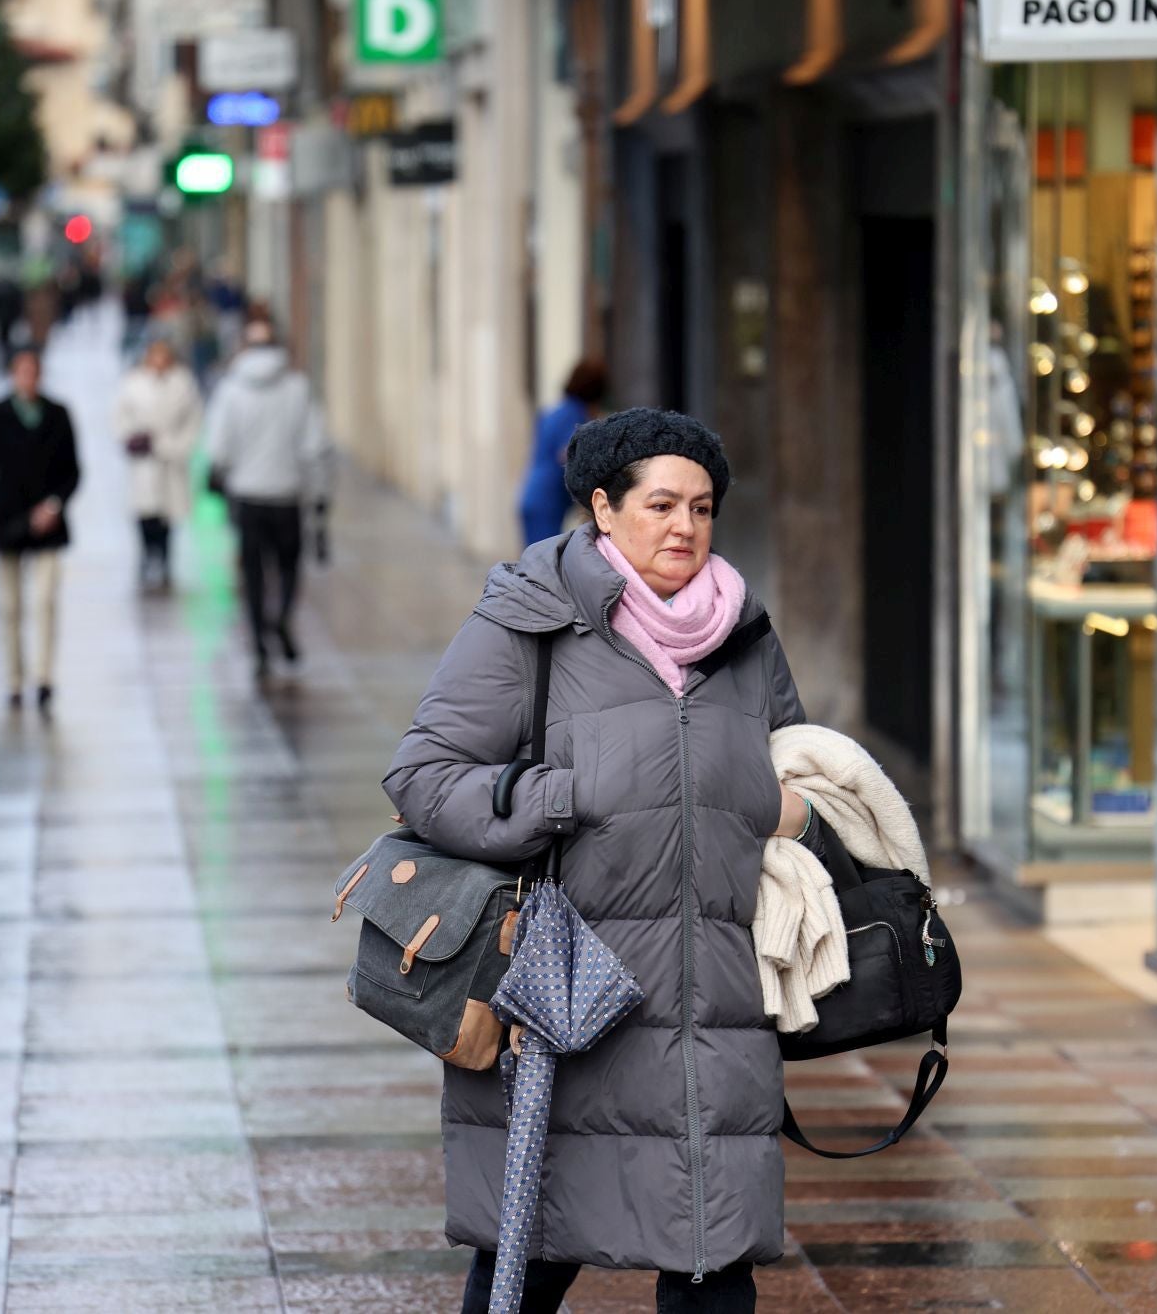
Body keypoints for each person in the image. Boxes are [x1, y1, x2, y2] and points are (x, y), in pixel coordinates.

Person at [384, 407, 815, 1313]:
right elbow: (421, 777)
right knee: (530, 1257)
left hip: (717, 1016)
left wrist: (795, 814)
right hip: (570, 1008)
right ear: (603, 510)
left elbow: (796, 768)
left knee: (713, 1257)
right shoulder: (529, 625)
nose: (684, 528)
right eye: (660, 505)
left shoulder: (745, 636)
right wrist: (554, 797)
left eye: (701, 509)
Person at [204, 318, 333, 680]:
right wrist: (320, 495)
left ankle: (260, 637)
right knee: (289, 566)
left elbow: (218, 448)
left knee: (254, 571)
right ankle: (282, 619)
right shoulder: (298, 387)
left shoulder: (230, 389)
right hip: (287, 493)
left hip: (247, 496)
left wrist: (222, 474)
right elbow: (314, 445)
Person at [0, 347, 80, 715]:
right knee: (11, 607)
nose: (28, 378)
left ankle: (44, 677)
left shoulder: (58, 415)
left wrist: (54, 504)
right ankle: (14, 679)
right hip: (10, 523)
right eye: (22, 371)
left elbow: (73, 471)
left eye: (33, 371)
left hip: (48, 524)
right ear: (13, 375)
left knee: (45, 602)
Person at [113, 337, 202, 589]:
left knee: (167, 516)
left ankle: (164, 560)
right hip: (144, 459)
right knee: (145, 513)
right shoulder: (134, 383)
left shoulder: (183, 384)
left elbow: (193, 421)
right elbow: (120, 416)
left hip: (171, 459)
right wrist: (133, 439)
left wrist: (178, 446)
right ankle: (146, 556)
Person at [518, 358, 607, 546]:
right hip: (547, 502)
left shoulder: (553, 412)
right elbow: (567, 454)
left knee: (536, 561)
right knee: (544, 566)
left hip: (532, 495)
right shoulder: (574, 415)